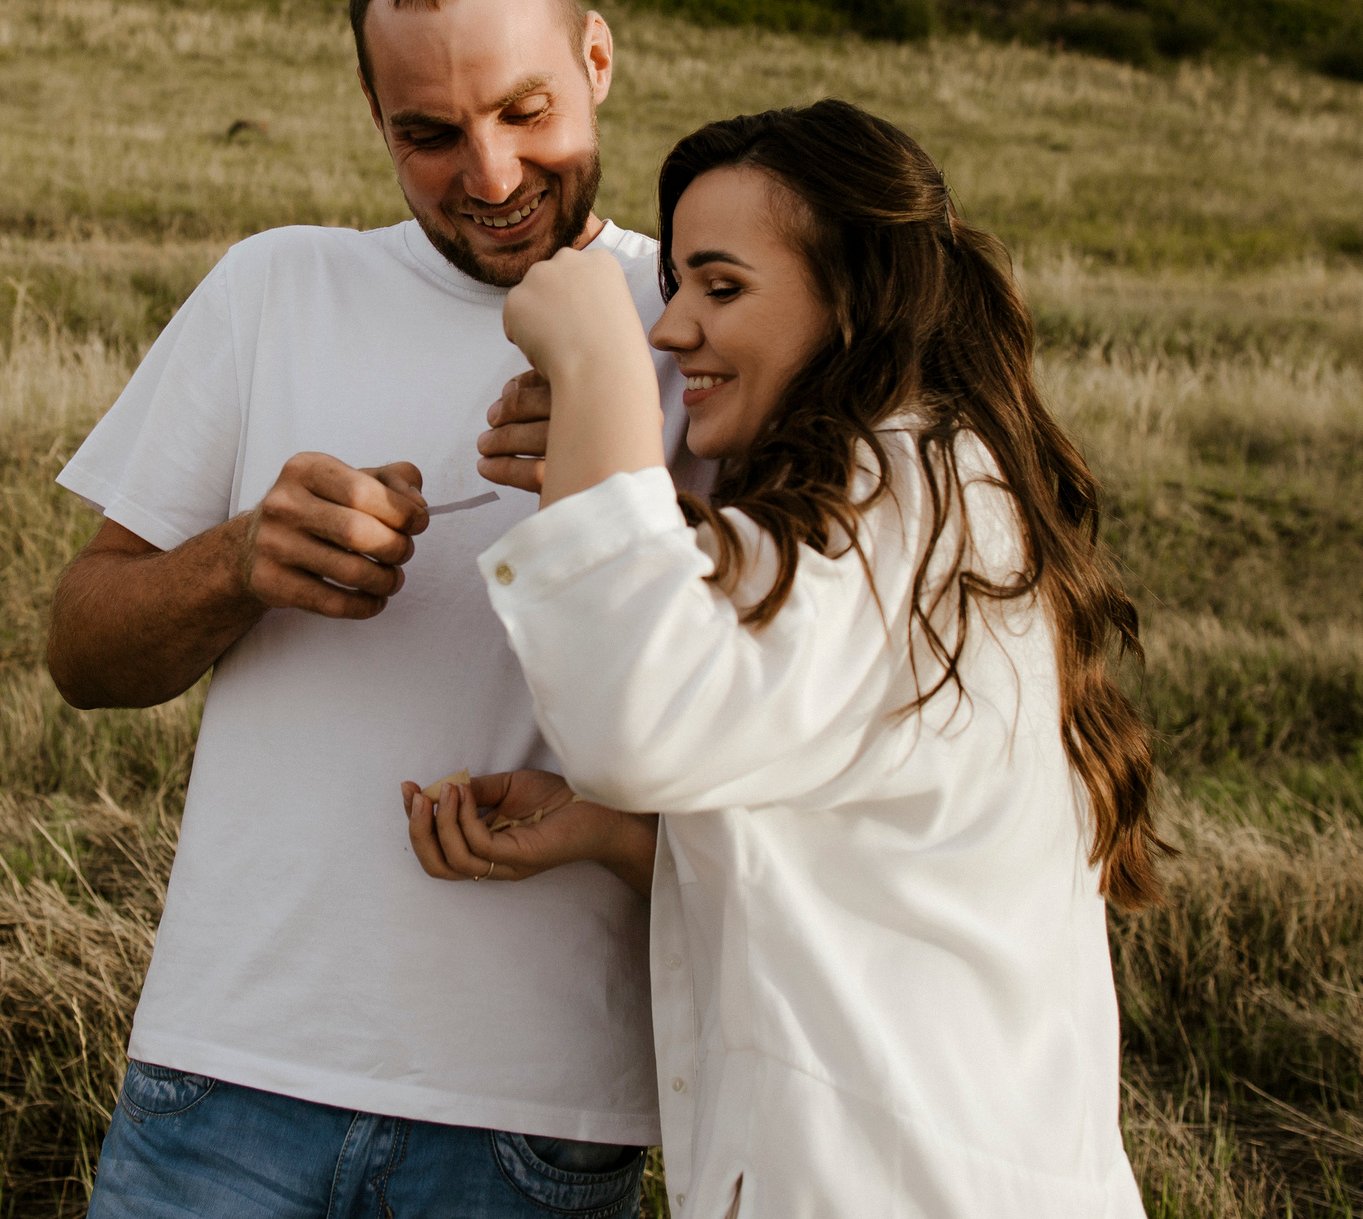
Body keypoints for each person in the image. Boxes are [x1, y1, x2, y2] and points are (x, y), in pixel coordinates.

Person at [47, 0, 704, 1217]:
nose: (495, 172)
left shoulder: (701, 321)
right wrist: (237, 561)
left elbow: (787, 702)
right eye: (430, 132)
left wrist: (627, 481)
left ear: (598, 60)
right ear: (373, 116)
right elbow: (80, 648)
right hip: (223, 1079)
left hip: (538, 1119)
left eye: (525, 109)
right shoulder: (271, 289)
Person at [405, 99, 1165, 1217]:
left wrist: (597, 362)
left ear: (851, 298)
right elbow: (864, 871)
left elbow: (640, 720)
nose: (671, 332)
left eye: (722, 288)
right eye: (669, 297)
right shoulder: (915, 499)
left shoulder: (906, 486)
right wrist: (623, 841)